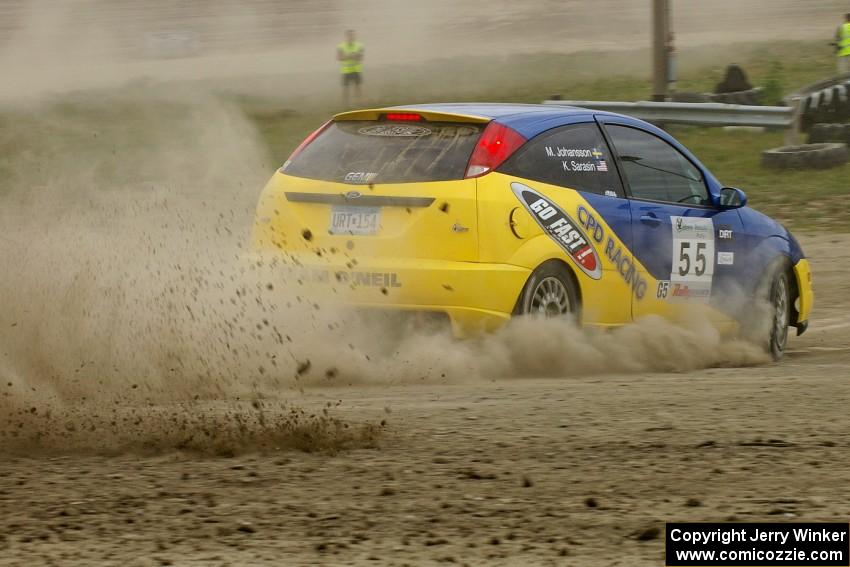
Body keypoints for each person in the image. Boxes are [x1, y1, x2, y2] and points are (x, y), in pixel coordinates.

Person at [337, 30, 364, 106]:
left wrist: (347, 56)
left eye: (352, 35)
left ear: (354, 36)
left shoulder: (359, 45)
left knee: (358, 87)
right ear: (346, 36)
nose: (351, 37)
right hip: (346, 71)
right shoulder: (341, 46)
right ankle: (345, 104)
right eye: (349, 35)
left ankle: (359, 102)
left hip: (356, 69)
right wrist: (351, 56)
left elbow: (360, 57)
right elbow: (339, 57)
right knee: (345, 89)